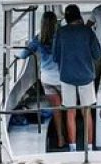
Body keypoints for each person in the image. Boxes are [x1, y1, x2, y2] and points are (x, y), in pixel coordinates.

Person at [52, 4, 101, 152]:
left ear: (66, 18)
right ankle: (89, 147)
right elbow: (97, 54)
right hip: (86, 77)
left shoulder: (60, 33)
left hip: (67, 77)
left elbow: (55, 57)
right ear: (79, 16)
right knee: (86, 113)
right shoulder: (88, 32)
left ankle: (72, 148)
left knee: (70, 112)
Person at [17, 11, 66, 148]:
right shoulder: (61, 36)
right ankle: (72, 135)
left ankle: (60, 138)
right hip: (63, 78)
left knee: (56, 109)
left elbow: (23, 54)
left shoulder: (38, 39)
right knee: (69, 107)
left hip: (47, 79)